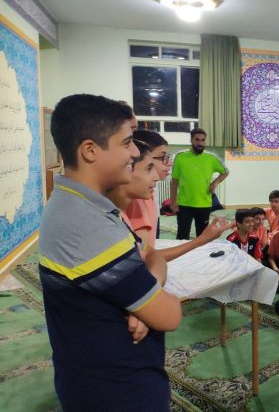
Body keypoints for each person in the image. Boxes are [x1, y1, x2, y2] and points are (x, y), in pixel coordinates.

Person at [38, 94, 182, 411]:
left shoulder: (81, 205)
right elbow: (170, 315)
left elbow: (153, 256)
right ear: (90, 150)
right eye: (126, 143)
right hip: (117, 390)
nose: (134, 152)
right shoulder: (87, 226)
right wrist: (151, 303)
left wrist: (146, 297)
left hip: (98, 377)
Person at [170, 128, 229, 239]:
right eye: (197, 140)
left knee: (202, 237)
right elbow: (174, 181)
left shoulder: (211, 158)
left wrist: (215, 182)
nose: (200, 143)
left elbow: (225, 172)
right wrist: (173, 201)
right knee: (182, 236)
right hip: (184, 204)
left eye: (202, 140)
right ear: (191, 140)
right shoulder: (180, 157)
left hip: (204, 204)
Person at [125, 129, 171, 245]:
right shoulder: (136, 198)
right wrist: (200, 240)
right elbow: (145, 252)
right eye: (162, 158)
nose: (169, 163)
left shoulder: (147, 192)